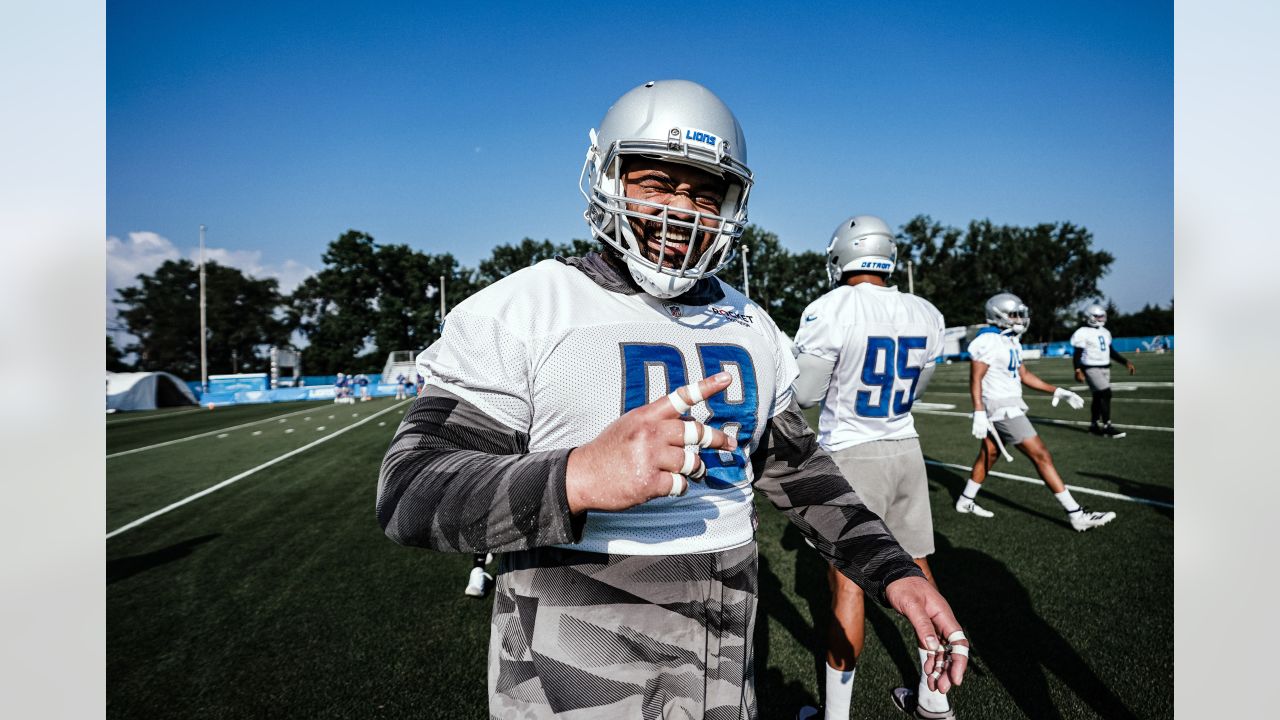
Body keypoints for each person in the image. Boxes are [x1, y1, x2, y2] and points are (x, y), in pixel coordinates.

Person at [377, 80, 969, 719]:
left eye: (702, 193)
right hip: (571, 652)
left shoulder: (752, 325)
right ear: (607, 180)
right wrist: (576, 476)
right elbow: (409, 491)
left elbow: (799, 471)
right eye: (656, 183)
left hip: (723, 643)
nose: (680, 211)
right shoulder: (526, 307)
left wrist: (894, 569)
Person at [791, 215, 954, 720]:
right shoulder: (925, 311)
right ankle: (934, 699)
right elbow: (918, 390)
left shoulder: (831, 308)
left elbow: (804, 394)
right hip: (905, 449)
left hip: (852, 453)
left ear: (842, 254)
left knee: (849, 583)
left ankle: (837, 717)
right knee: (920, 572)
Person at [957, 293, 1116, 532]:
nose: (1019, 318)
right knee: (1041, 455)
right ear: (998, 315)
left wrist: (1057, 391)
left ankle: (965, 501)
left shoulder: (1009, 340)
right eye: (1014, 314)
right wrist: (979, 410)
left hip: (1008, 405)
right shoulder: (988, 340)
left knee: (989, 454)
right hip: (1001, 408)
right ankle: (1076, 514)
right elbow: (976, 378)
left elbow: (1024, 375)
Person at [1070, 303, 1136, 438]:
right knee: (1106, 393)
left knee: (1098, 396)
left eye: (1102, 316)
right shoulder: (1082, 332)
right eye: (1097, 316)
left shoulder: (1105, 332)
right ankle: (1107, 426)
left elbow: (1111, 351)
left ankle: (1094, 425)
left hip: (1105, 367)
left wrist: (1125, 362)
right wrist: (1077, 369)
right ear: (1090, 317)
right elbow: (1077, 353)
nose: (1101, 318)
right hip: (1090, 367)